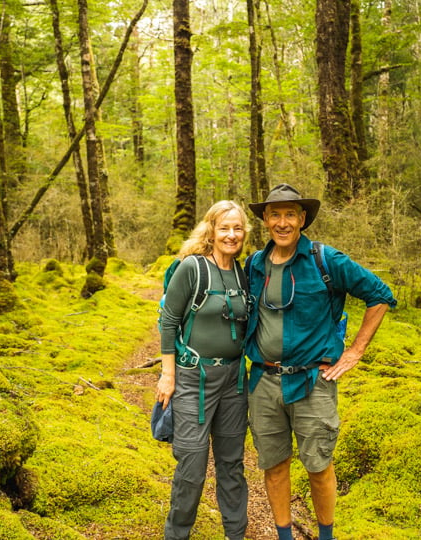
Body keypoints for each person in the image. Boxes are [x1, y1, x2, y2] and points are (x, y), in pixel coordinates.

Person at [243, 184, 396, 540]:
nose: (283, 222)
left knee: (318, 466)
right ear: (266, 219)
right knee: (274, 466)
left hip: (313, 382)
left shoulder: (326, 260)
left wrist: (355, 350)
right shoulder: (253, 265)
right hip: (263, 383)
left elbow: (380, 295)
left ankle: (326, 535)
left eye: (290, 214)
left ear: (302, 219)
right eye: (275, 214)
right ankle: (284, 535)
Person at [157, 200, 251, 540]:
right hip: (193, 380)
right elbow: (169, 322)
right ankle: (177, 534)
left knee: (231, 464)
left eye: (237, 228)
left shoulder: (244, 272)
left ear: (244, 233)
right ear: (210, 230)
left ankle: (235, 534)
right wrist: (168, 376)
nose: (231, 235)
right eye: (224, 227)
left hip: (234, 382)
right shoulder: (192, 268)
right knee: (192, 466)